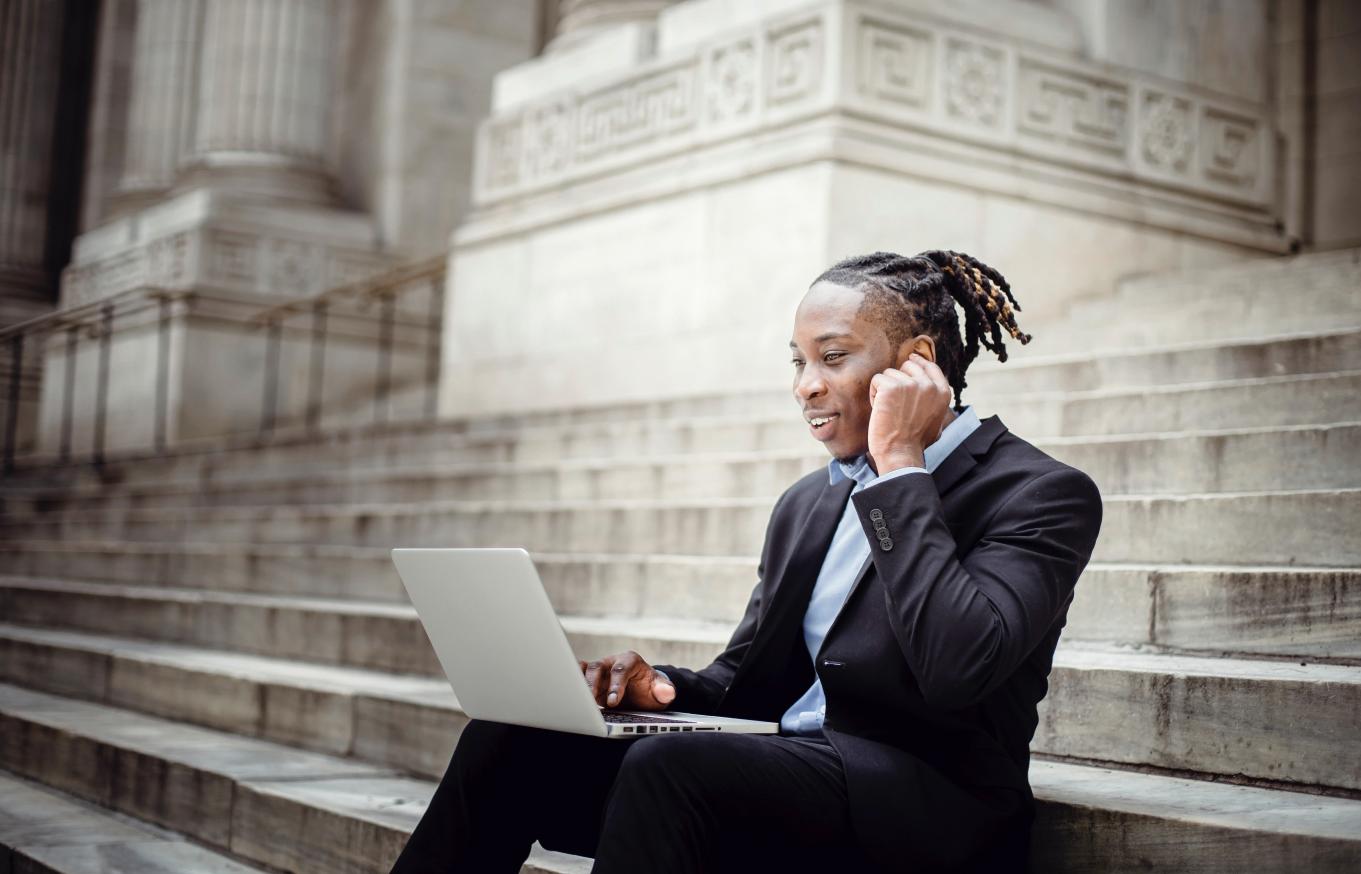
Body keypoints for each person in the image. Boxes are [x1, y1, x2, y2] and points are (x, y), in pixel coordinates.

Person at [390, 249, 1104, 873]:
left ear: (915, 364)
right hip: (779, 783)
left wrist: (900, 468)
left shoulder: (1040, 493)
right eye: (798, 362)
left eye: (832, 358)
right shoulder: (809, 503)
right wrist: (660, 690)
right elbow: (750, 681)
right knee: (514, 738)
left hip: (928, 809)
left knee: (674, 771)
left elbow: (957, 667)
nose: (806, 386)